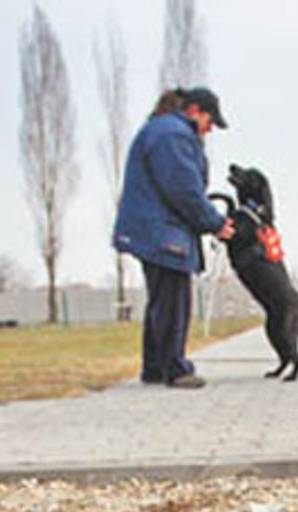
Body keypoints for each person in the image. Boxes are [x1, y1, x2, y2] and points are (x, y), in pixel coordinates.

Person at [113, 86, 235, 389]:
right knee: (173, 299)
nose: (209, 130)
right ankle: (175, 369)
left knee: (162, 299)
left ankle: (155, 366)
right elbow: (183, 189)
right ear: (194, 111)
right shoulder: (173, 134)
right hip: (162, 230)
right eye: (210, 122)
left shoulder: (162, 130)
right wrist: (214, 222)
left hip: (152, 227)